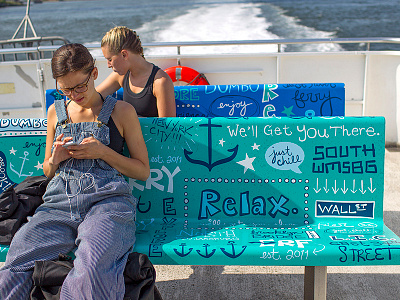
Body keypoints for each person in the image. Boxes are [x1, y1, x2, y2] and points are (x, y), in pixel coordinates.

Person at [0, 43, 150, 299]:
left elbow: (143, 171)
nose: (74, 94)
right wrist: (55, 159)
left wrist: (104, 153)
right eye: (66, 89)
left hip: (108, 203)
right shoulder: (55, 113)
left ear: (93, 74)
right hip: (58, 204)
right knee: (16, 263)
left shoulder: (122, 111)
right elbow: (48, 171)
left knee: (91, 269)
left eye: (80, 86)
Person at [97, 26, 176, 117]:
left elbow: (167, 128)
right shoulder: (120, 75)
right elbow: (93, 97)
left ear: (124, 54)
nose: (108, 65)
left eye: (110, 59)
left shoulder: (160, 82)